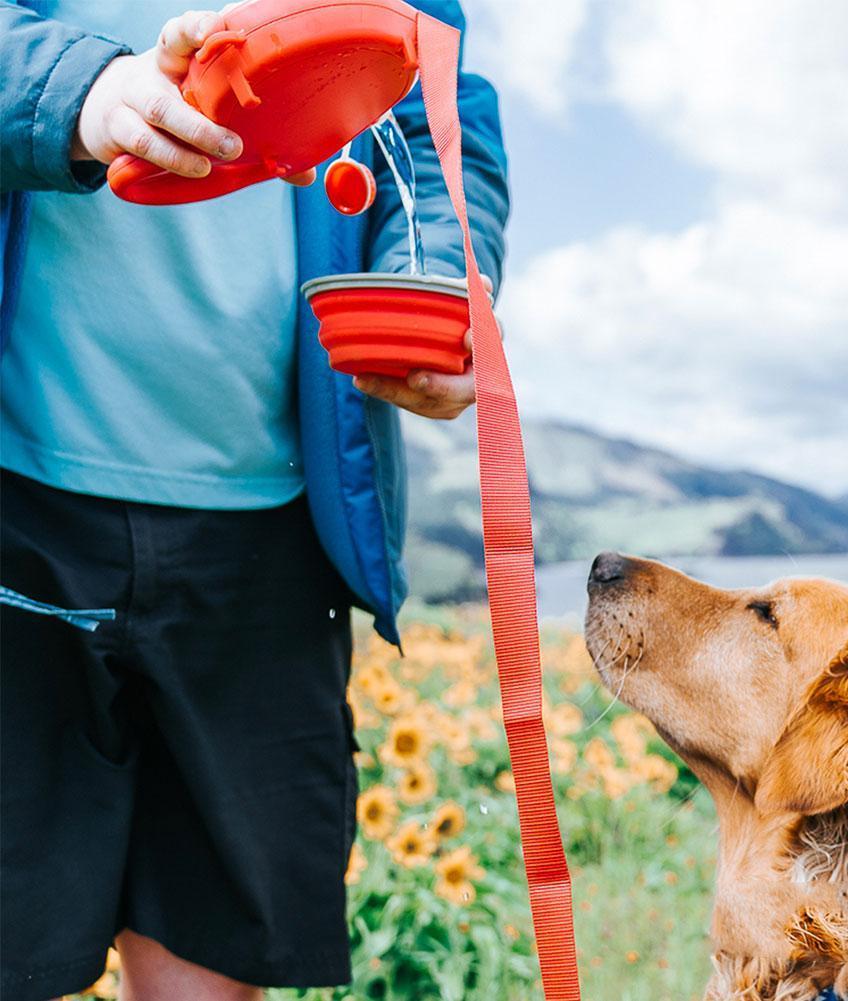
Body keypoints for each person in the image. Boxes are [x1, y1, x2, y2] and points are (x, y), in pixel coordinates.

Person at [0, 1, 508, 998]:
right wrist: (80, 89)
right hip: (19, 509)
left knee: (217, 962)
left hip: (275, 532)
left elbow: (433, 116)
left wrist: (438, 284)